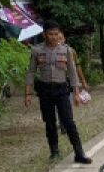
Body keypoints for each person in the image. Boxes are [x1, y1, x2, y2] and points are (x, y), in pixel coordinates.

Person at [24, 23, 92, 164]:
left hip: (61, 90)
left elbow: (72, 72)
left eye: (56, 34)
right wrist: (28, 94)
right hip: (45, 91)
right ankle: (54, 151)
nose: (53, 37)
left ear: (59, 34)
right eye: (50, 34)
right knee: (49, 122)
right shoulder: (37, 51)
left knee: (68, 121)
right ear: (44, 35)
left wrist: (76, 94)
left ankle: (79, 153)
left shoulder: (66, 50)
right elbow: (31, 72)